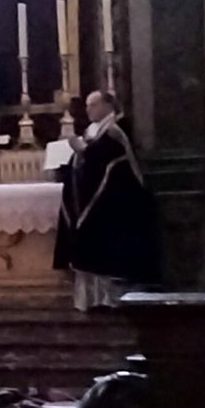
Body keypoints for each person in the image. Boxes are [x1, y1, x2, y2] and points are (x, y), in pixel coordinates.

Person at [53, 90, 162, 309]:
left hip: (113, 202)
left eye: (93, 105)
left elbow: (106, 159)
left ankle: (110, 298)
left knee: (106, 249)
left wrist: (83, 151)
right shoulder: (94, 130)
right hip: (98, 200)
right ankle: (94, 298)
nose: (88, 110)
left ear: (108, 105)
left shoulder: (116, 130)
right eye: (87, 105)